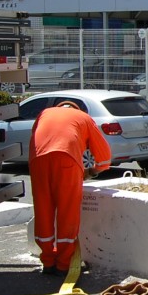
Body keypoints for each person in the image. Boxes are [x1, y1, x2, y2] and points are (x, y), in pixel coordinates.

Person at [28, 101, 111, 276]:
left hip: (38, 162)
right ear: (77, 110)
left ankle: (48, 261)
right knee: (68, 211)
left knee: (43, 210)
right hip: (67, 160)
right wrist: (92, 171)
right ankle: (64, 264)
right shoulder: (84, 118)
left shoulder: (44, 113)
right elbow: (104, 157)